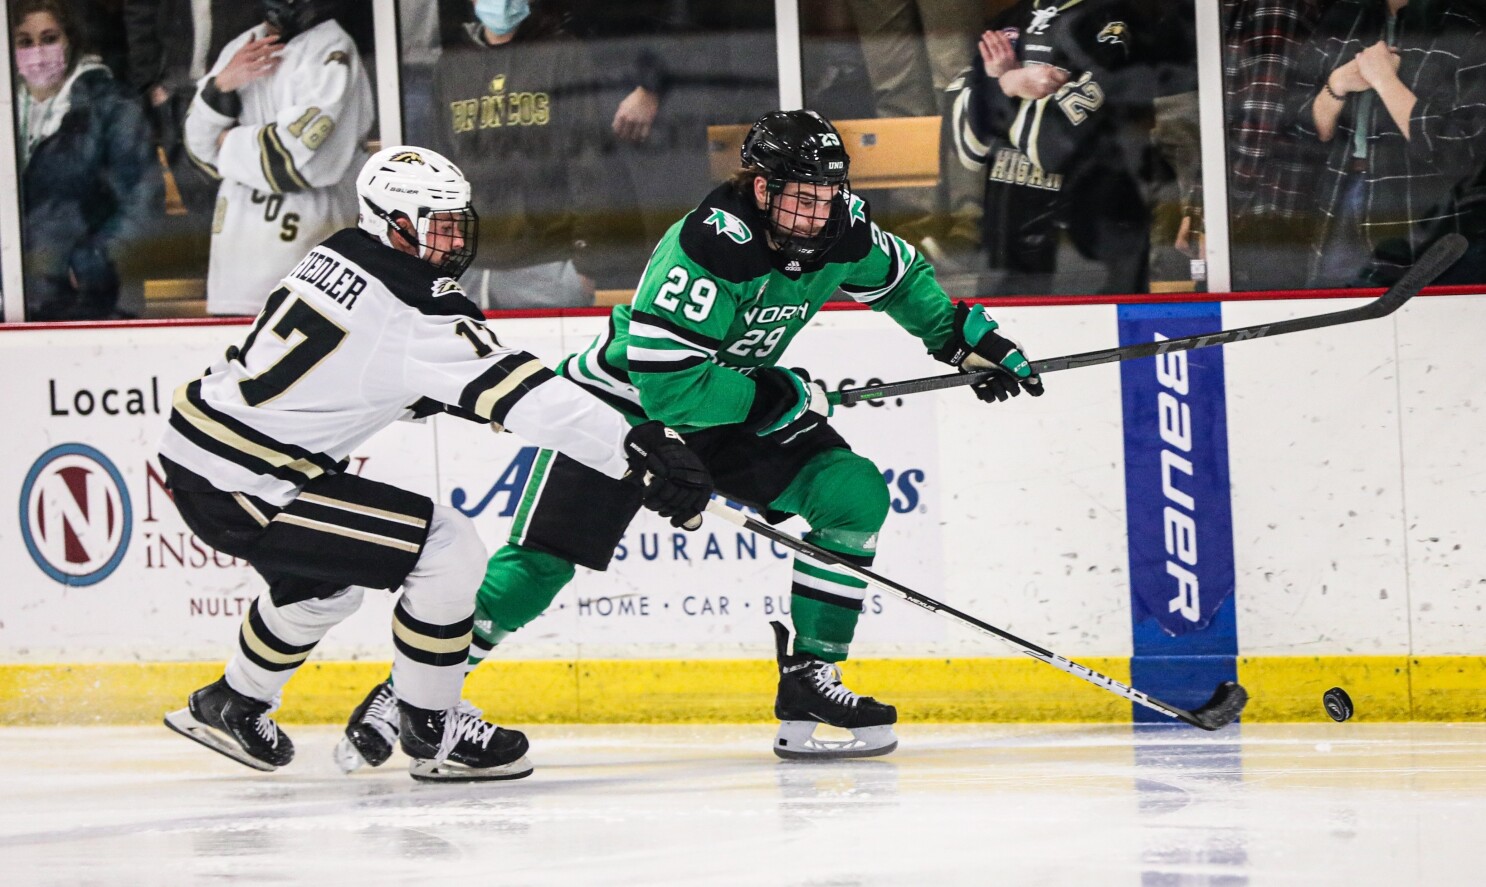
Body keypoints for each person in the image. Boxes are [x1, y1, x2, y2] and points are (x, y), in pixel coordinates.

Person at [335, 110, 1044, 768]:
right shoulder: (709, 245)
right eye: (803, 197)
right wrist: (776, 395)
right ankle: (411, 690)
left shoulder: (841, 228)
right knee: (536, 570)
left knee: (851, 495)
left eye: (830, 194)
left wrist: (962, 341)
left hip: (728, 408)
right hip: (623, 414)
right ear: (761, 188)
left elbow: (901, 279)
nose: (819, 212)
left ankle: (810, 677)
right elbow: (672, 391)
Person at [159, 146, 713, 781]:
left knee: (322, 588)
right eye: (437, 225)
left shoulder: (337, 253)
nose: (454, 239)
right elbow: (518, 390)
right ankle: (433, 728)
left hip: (206, 454)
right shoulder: (416, 302)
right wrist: (637, 446)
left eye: (456, 223)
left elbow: (369, 370)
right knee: (445, 546)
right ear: (391, 222)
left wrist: (461, 394)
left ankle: (233, 701)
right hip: (250, 480)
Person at [419, 0, 643, 309]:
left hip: (549, 263)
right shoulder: (452, 66)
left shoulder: (561, 54)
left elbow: (589, 162)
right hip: (470, 266)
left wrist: (586, 263)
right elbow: (441, 169)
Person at [948, 0, 1156, 295]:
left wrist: (998, 86)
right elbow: (965, 145)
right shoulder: (1007, 21)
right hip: (1005, 245)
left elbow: (1049, 144)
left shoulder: (1114, 24)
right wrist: (1010, 83)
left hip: (1087, 246)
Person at [184, 0, 374, 316]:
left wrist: (225, 143)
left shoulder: (333, 48)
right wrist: (219, 87)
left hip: (310, 266)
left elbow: (297, 162)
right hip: (233, 273)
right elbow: (196, 149)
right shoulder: (241, 47)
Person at [1292, 0, 1486, 288]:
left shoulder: (1465, 29)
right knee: (1334, 307)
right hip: (1338, 197)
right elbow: (1299, 130)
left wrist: (1385, 81)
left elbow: (1464, 153)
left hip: (1424, 212)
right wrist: (1337, 84)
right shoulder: (1344, 18)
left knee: (1419, 308)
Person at [12, 0, 160, 321]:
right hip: (15, 300)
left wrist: (93, 262)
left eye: (49, 38)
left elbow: (143, 196)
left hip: (90, 301)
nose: (37, 51)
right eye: (25, 41)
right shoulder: (6, 108)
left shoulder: (111, 105)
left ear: (70, 39)